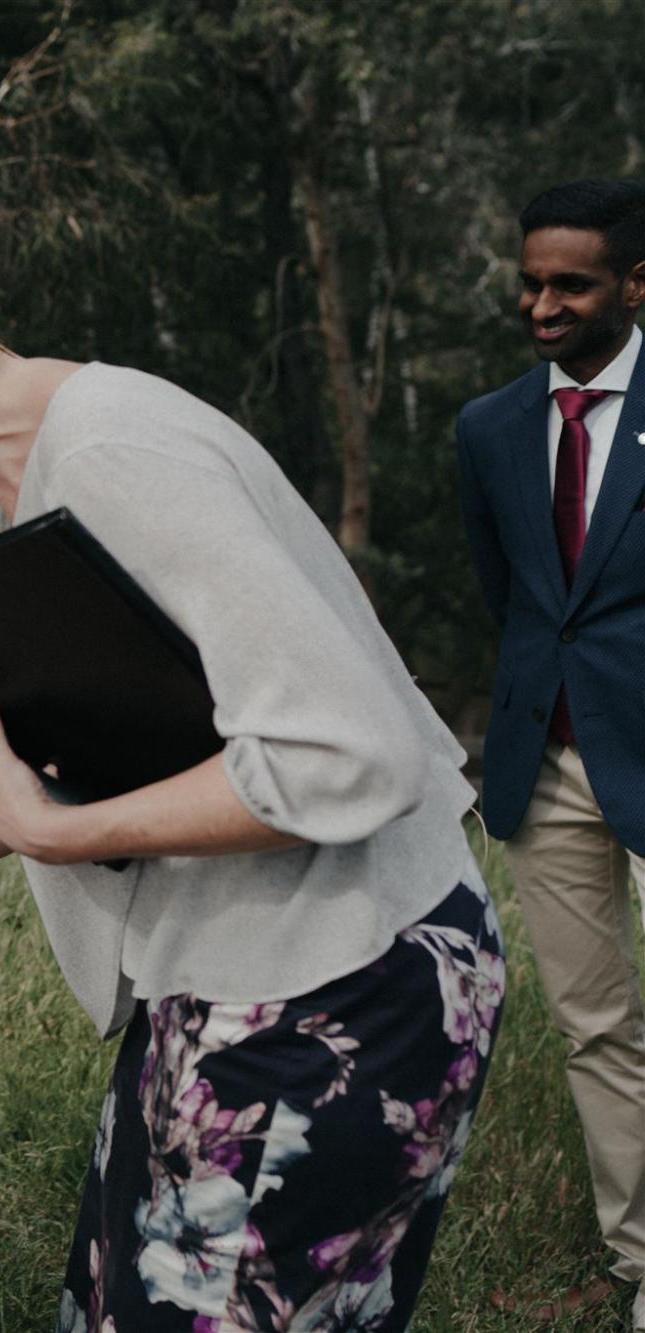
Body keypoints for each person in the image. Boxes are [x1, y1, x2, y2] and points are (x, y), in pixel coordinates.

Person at [0, 206, 502, 1330]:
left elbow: (342, 753)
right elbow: (46, 782)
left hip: (340, 981)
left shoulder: (117, 452)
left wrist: (59, 832)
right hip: (220, 976)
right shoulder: (20, 496)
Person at [456, 178, 645, 1323]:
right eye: (528, 281)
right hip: (548, 764)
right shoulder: (486, 427)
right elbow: (513, 595)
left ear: (633, 283)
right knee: (595, 1029)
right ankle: (639, 1267)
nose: (539, 305)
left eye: (566, 284)